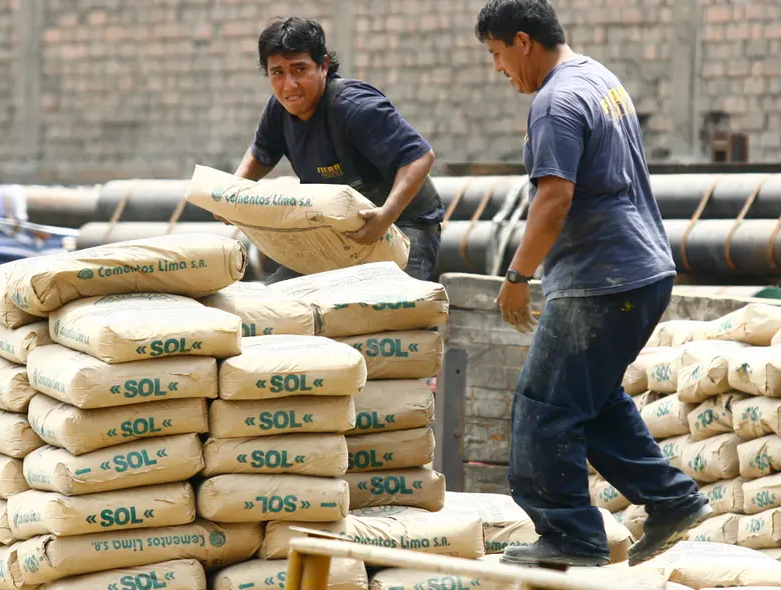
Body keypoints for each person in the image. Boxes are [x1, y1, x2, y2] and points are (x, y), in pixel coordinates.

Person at [473, 0, 712, 568]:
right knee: (593, 403)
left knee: (543, 408)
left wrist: (517, 276)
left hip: (600, 280)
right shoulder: (598, 78)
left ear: (523, 41)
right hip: (640, 271)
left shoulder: (555, 101)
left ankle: (569, 538)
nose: (499, 68)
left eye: (498, 54)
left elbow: (554, 197)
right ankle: (672, 501)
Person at [232, 16, 444, 283]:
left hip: (402, 226)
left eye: (299, 70)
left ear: (323, 66)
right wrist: (232, 195)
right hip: (337, 232)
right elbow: (261, 153)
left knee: (389, 311)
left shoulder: (355, 107)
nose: (289, 86)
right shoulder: (278, 110)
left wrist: (386, 216)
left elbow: (420, 157)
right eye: (278, 72)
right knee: (277, 298)